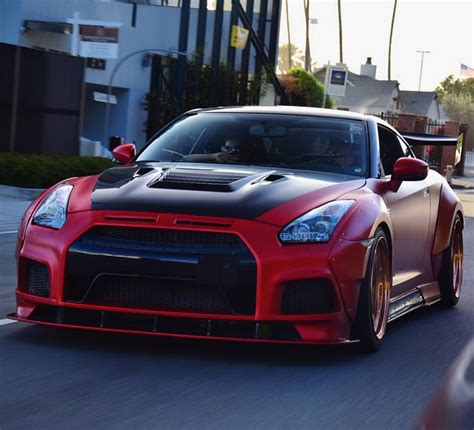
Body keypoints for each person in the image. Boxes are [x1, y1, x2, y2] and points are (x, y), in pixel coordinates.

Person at [183, 136, 265, 164]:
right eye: (228, 148)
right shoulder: (219, 160)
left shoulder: (258, 164)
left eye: (237, 149)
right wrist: (213, 156)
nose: (232, 152)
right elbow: (186, 158)